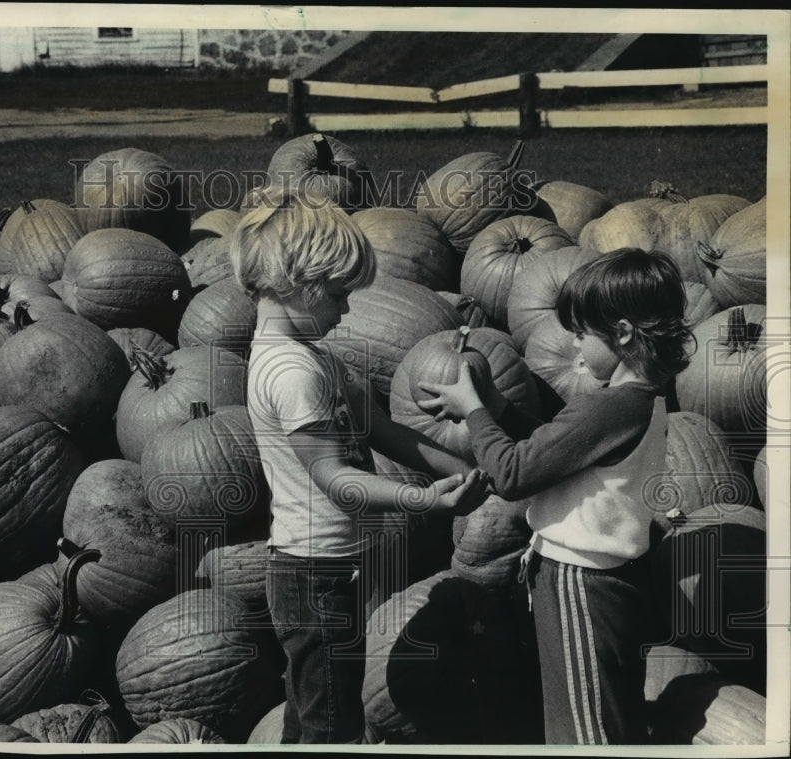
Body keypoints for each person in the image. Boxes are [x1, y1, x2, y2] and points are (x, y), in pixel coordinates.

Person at [231, 188, 489, 744]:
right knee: (333, 723)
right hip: (311, 575)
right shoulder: (290, 373)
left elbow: (380, 431)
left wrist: (469, 465)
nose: (348, 309)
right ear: (298, 282)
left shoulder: (315, 355)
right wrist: (428, 500)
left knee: (314, 711)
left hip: (329, 567)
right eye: (340, 294)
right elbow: (335, 479)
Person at [418, 248, 693, 745]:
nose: (576, 345)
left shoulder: (607, 407)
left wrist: (475, 410)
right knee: (603, 712)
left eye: (583, 333)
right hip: (605, 584)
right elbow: (557, 450)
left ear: (624, 333)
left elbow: (513, 474)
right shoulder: (642, 402)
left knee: (587, 732)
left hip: (579, 585)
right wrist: (499, 406)